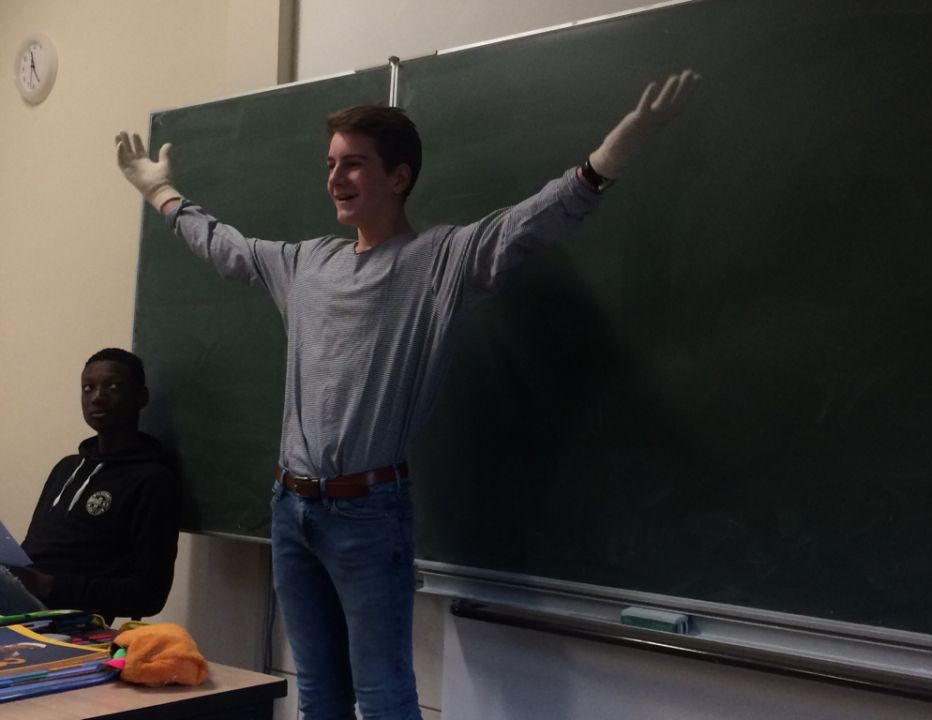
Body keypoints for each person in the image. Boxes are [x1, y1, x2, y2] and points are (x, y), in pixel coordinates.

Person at [115, 69, 699, 720]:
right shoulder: (305, 263)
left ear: (398, 176)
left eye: (354, 164)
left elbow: (531, 223)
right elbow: (227, 248)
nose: (336, 177)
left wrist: (606, 160)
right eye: (330, 164)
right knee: (318, 692)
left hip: (368, 515)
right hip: (290, 508)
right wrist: (161, 191)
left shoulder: (439, 263)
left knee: (384, 694)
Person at [0, 349, 180, 625]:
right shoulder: (66, 468)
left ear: (140, 397)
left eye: (113, 387)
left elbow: (149, 594)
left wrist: (49, 585)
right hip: (21, 604)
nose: (97, 397)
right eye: (88, 388)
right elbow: (36, 550)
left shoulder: (153, 481)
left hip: (68, 621)